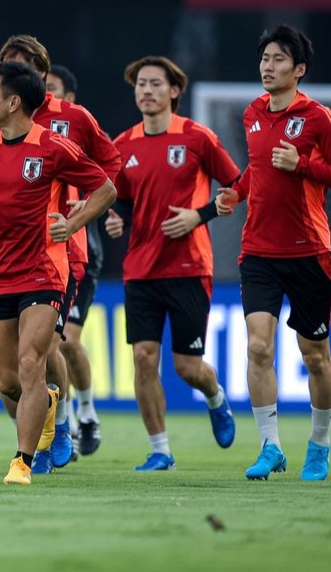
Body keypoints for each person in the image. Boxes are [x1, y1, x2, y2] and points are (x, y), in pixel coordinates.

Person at [0, 35, 120, 474]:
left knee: (33, 360)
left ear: (14, 101)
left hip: (44, 269)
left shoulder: (56, 143)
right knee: (9, 381)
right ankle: (52, 405)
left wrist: (73, 224)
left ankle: (23, 460)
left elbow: (106, 186)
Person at [104, 55, 239, 471]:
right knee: (144, 357)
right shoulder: (122, 145)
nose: (146, 91)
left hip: (189, 266)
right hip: (141, 269)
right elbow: (123, 200)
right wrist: (116, 219)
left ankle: (216, 397)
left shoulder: (198, 138)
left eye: (155, 84)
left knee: (187, 367)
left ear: (174, 91)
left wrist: (200, 215)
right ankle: (160, 449)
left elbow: (236, 186)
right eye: (140, 84)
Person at [216, 24, 331, 482]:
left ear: (299, 70)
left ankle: (319, 444)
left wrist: (302, 164)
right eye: (265, 58)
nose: (268, 66)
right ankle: (270, 446)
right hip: (258, 250)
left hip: (309, 252)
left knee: (315, 355)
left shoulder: (319, 118)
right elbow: (258, 169)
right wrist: (235, 192)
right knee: (259, 346)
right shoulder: (252, 113)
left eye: (279, 59)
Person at [47, 64, 103, 456]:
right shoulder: (19, 133)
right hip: (40, 254)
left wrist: (104, 210)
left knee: (66, 340)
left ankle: (84, 413)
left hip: (80, 251)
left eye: (51, 88)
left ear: (68, 98)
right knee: (47, 347)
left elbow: (110, 177)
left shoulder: (75, 132)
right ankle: (61, 420)